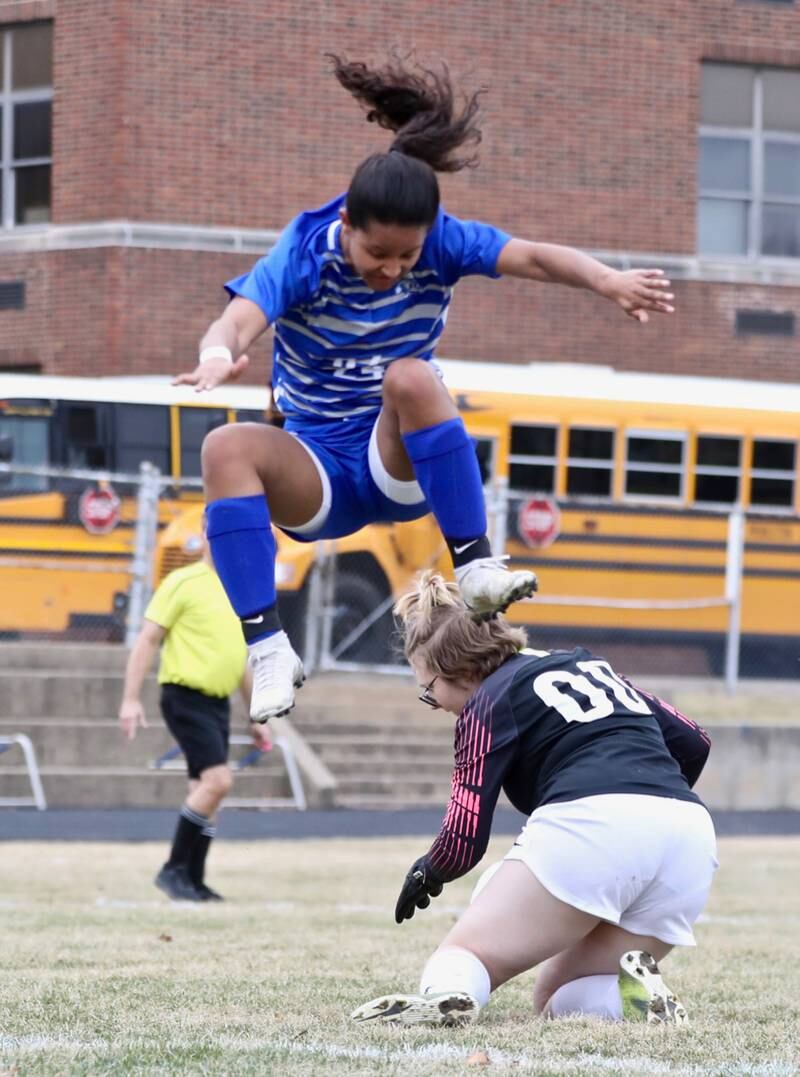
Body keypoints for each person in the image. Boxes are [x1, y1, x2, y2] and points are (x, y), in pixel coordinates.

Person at [173, 52, 676, 724]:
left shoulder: (442, 242)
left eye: (406, 258)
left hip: (395, 463)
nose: (391, 271)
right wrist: (216, 353)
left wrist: (607, 280)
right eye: (377, 255)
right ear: (347, 224)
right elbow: (241, 317)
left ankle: (474, 567)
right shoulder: (303, 252)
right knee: (226, 447)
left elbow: (531, 255)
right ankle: (267, 648)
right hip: (317, 472)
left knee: (411, 374)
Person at [350, 572, 716, 1028]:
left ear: (462, 672)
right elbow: (695, 740)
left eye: (430, 690)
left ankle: (449, 996)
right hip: (691, 837)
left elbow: (465, 836)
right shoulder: (585, 665)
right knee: (555, 996)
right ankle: (633, 999)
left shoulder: (489, 698)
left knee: (466, 953)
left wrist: (430, 869)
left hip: (597, 823)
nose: (436, 703)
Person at [118, 517, 271, 902]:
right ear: (204, 535)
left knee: (206, 791)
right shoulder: (183, 582)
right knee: (218, 782)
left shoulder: (243, 593)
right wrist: (130, 698)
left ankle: (193, 880)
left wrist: (256, 717)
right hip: (184, 696)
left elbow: (240, 662)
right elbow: (147, 639)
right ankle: (172, 869)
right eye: (215, 530)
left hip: (217, 703)